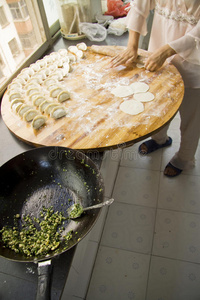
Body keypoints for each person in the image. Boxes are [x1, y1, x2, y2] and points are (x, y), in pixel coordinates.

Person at [111, 0, 200, 177]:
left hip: (193, 59)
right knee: (159, 105)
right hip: (158, 55)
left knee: (191, 117)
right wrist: (132, 45)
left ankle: (184, 158)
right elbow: (139, 8)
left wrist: (168, 49)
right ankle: (160, 140)